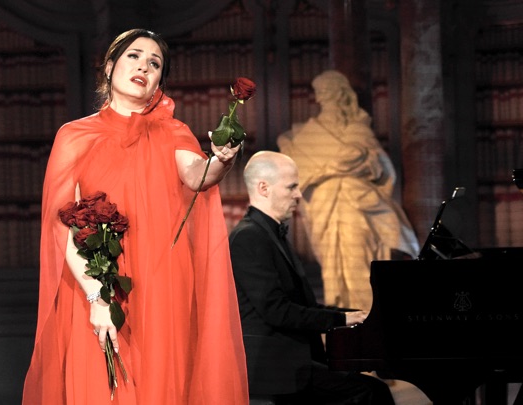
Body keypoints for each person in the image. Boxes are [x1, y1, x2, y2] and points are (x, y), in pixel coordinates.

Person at [22, 28, 248, 404]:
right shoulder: (74, 136)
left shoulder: (173, 131)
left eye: (154, 64)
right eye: (134, 56)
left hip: (163, 285)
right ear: (110, 66)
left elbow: (199, 176)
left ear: (159, 82)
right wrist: (96, 297)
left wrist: (222, 159)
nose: (144, 66)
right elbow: (64, 226)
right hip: (98, 286)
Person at [229, 151, 395, 405]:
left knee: (369, 388)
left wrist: (350, 315)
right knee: (371, 392)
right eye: (292, 186)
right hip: (274, 366)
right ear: (264, 188)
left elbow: (302, 305)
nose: (299, 194)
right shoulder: (249, 237)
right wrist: (342, 319)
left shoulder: (269, 233)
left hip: (293, 359)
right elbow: (277, 311)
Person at [278, 70, 419, 312]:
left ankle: (365, 314)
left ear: (341, 94)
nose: (322, 97)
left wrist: (334, 167)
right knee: (333, 263)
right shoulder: (304, 135)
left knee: (358, 259)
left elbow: (378, 165)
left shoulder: (358, 129)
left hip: (355, 202)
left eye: (327, 91)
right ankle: (343, 315)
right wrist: (341, 164)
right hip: (325, 204)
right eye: (319, 93)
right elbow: (302, 165)